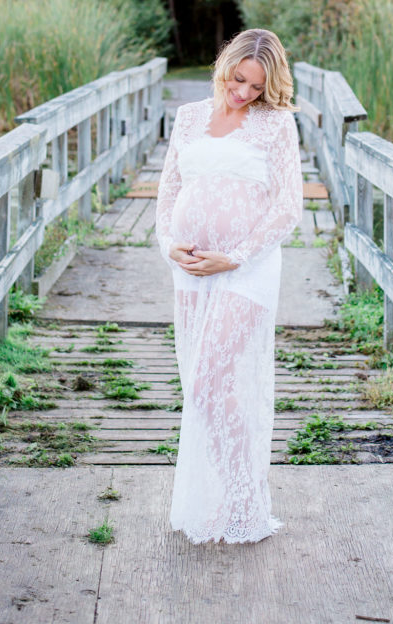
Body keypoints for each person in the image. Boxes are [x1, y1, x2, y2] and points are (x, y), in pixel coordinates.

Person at [155, 28, 303, 544]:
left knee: (208, 382)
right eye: (238, 79)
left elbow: (289, 207)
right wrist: (169, 243)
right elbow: (170, 189)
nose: (243, 93)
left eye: (256, 87)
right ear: (226, 64)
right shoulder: (188, 116)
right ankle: (226, 498)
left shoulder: (276, 124)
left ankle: (244, 503)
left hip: (247, 267)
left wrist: (235, 257)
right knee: (204, 386)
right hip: (193, 268)